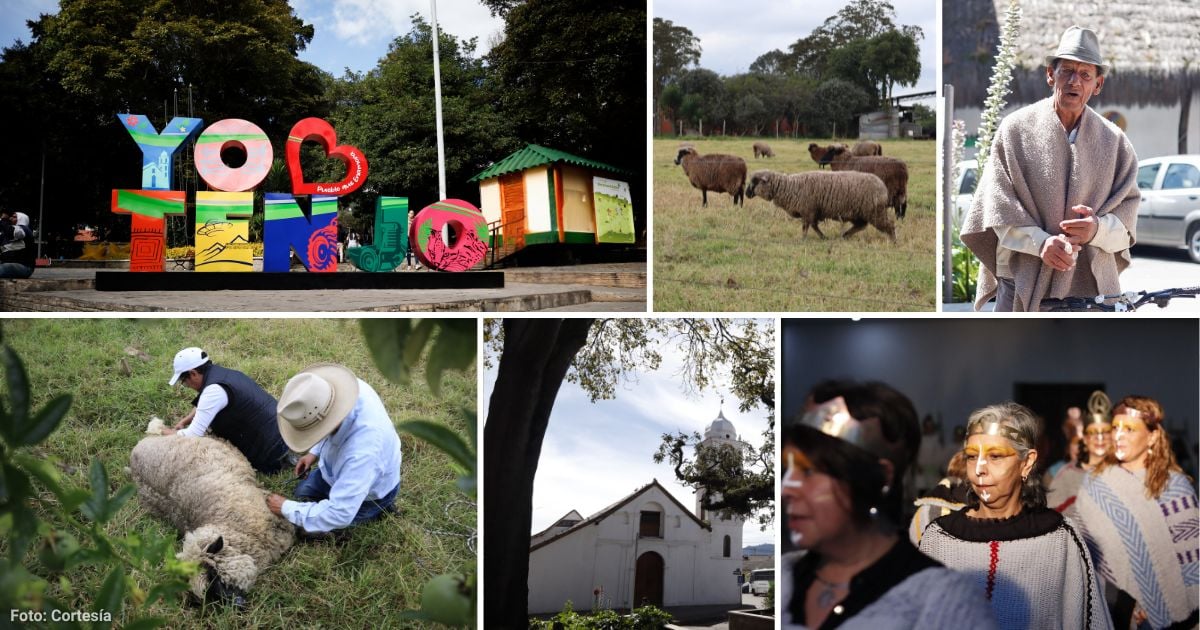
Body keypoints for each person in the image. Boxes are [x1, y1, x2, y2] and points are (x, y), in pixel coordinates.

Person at [782, 381, 997, 629]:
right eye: (787, 470)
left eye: (809, 471)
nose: (786, 489)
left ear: (880, 477)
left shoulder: (944, 605)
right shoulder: (787, 577)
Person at [960, 26, 1139, 311]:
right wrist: (1041, 244)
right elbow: (998, 210)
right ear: (1049, 75)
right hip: (1020, 283)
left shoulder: (1115, 142)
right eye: (1066, 71)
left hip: (1091, 291)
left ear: (1098, 84)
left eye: (1085, 75)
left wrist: (1095, 230)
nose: (1074, 82)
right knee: (1011, 355)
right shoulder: (1015, 130)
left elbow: (1127, 226)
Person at [918, 403, 1111, 629]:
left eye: (996, 456)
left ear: (1027, 463)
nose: (979, 468)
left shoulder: (1060, 539)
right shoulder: (938, 539)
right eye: (971, 456)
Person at [1076, 396, 1199, 629]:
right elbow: (1084, 553)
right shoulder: (1095, 484)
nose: (1118, 436)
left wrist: (1156, 604)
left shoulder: (1173, 486)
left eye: (1129, 429)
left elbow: (1192, 560)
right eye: (1115, 428)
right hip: (1108, 607)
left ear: (1152, 436)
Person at [266, 363, 402, 535]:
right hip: (336, 471)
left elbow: (340, 513)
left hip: (372, 493)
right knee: (301, 494)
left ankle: (379, 509)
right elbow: (326, 419)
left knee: (306, 531)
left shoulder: (363, 452)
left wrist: (285, 508)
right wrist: (313, 453)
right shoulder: (341, 393)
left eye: (312, 432)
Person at [164, 347, 292, 474]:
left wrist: (162, 431)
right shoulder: (223, 374)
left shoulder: (213, 391)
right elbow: (204, 404)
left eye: (185, 382)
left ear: (193, 373)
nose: (187, 386)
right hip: (286, 433)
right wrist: (185, 420)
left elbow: (192, 435)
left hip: (275, 452)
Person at [1047, 392, 1112, 514]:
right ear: (1086, 439)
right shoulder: (1067, 475)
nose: (1100, 438)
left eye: (1105, 432)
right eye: (1093, 432)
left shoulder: (1123, 472)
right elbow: (1052, 520)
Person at [0, 211, 36, 279]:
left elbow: (12, 232)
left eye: (14, 217)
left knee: (5, 267)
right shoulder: (6, 234)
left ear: (21, 219)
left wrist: (4, 220)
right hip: (8, 264)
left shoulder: (25, 230)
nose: (10, 218)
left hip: (25, 267)